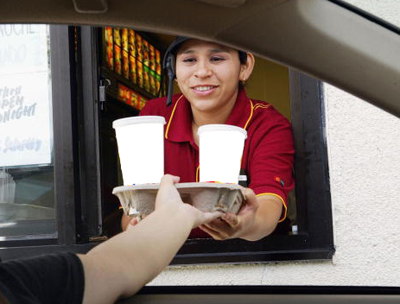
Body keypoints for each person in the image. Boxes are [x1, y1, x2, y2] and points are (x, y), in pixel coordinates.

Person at [121, 36, 295, 241]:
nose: (202, 72)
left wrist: (245, 226)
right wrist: (135, 230)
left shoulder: (268, 124)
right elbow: (132, 210)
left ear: (245, 66)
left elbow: (267, 208)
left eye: (217, 58)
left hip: (252, 261)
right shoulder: (155, 116)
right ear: (172, 70)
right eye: (189, 60)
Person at [0, 175, 222, 304]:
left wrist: (176, 212)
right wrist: (175, 212)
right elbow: (118, 266)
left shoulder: (17, 282)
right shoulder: (19, 282)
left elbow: (118, 265)